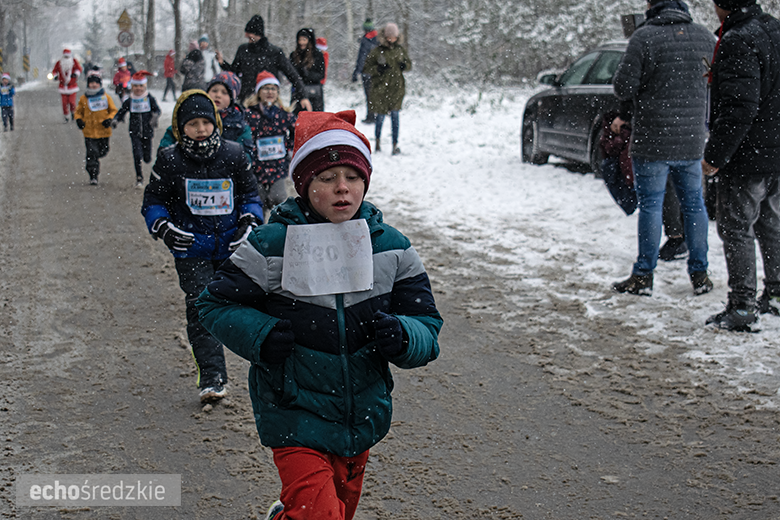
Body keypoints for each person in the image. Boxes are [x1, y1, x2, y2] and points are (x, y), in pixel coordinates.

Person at [196, 109, 443, 520]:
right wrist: (261, 334)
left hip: (360, 411)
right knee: (321, 515)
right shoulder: (271, 245)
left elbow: (427, 324)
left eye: (353, 176)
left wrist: (404, 335)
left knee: (336, 512)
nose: (342, 188)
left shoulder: (392, 247)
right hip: (293, 409)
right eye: (327, 178)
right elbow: (214, 304)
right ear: (305, 184)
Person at [141, 91, 263, 403]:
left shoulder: (234, 154)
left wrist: (249, 221)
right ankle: (212, 376)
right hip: (191, 249)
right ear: (180, 128)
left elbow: (250, 195)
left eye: (206, 122)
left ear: (216, 123)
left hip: (232, 248)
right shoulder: (169, 159)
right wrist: (164, 228)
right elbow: (153, 201)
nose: (200, 129)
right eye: (192, 124)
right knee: (201, 309)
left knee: (243, 308)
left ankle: (266, 369)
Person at [610, 0, 715, 297]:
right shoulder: (705, 37)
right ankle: (700, 273)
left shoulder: (644, 37)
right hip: (691, 139)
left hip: (652, 139)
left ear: (651, 5)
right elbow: (714, 82)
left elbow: (622, 87)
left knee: (651, 206)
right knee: (694, 204)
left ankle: (644, 274)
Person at [702, 0, 780, 331]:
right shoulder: (773, 28)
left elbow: (738, 108)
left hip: (749, 154)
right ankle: (775, 293)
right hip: (774, 150)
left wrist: (715, 157)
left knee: (736, 227)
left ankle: (743, 305)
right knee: (770, 222)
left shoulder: (738, 40)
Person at [216, 14, 312, 111]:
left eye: (250, 35)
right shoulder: (243, 50)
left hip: (268, 100)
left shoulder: (275, 52)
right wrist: (222, 63)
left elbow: (293, 75)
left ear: (257, 34)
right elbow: (234, 72)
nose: (246, 36)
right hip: (247, 100)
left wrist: (303, 96)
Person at [158, 72, 255, 166]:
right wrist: (170, 157)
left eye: (224, 93)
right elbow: (172, 134)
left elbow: (245, 156)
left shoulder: (239, 125)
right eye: (214, 90)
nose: (218, 95)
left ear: (232, 98)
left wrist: (227, 163)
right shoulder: (194, 112)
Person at [243, 71, 297, 217]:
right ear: (258, 92)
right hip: (257, 168)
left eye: (273, 89)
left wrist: (289, 149)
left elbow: (297, 131)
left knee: (279, 199)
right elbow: (243, 135)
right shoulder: (249, 114)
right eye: (266, 88)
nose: (270, 92)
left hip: (278, 167)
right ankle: (259, 228)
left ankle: (278, 227)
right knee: (257, 203)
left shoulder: (283, 114)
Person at [362, 23, 411, 156]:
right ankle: (377, 142)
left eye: (394, 36)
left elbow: (409, 64)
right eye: (389, 36)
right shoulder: (377, 51)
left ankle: (395, 144)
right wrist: (378, 69)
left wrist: (404, 66)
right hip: (380, 90)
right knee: (380, 118)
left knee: (395, 117)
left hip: (396, 89)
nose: (391, 39)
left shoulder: (400, 50)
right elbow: (366, 68)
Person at [113, 71, 161, 188]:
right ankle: (139, 177)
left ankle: (146, 158)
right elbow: (122, 111)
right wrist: (116, 120)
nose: (138, 88)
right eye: (135, 86)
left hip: (147, 131)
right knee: (137, 154)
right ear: (132, 87)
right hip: (134, 132)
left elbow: (157, 110)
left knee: (147, 158)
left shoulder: (149, 98)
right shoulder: (130, 100)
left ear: (145, 86)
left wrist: (154, 117)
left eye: (141, 86)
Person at [74, 70, 118, 185]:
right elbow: (78, 112)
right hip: (89, 132)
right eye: (91, 83)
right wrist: (79, 120)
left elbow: (113, 110)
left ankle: (95, 159)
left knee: (103, 151)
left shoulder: (106, 97)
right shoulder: (84, 99)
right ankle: (93, 174)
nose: (94, 85)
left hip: (104, 131)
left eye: (96, 83)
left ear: (100, 84)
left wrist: (109, 119)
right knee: (91, 152)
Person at [289, 28, 326, 112]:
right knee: (297, 116)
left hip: (314, 91)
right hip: (297, 91)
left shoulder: (317, 55)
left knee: (315, 116)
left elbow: (321, 74)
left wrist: (308, 75)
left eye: (304, 40)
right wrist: (298, 78)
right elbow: (290, 73)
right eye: (299, 40)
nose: (301, 42)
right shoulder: (294, 55)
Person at [352, 19, 379, 124]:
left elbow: (361, 58)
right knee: (375, 94)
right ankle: (377, 115)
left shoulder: (366, 40)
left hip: (367, 72)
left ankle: (371, 116)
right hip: (377, 72)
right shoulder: (378, 39)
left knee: (369, 95)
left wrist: (356, 72)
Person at [52, 49, 83, 123]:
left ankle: (73, 112)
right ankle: (66, 116)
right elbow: (54, 71)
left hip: (72, 86)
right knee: (64, 103)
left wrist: (76, 74)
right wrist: (55, 76)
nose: (66, 58)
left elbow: (79, 69)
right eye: (65, 57)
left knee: (72, 102)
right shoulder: (59, 63)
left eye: (67, 57)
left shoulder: (74, 61)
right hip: (63, 86)